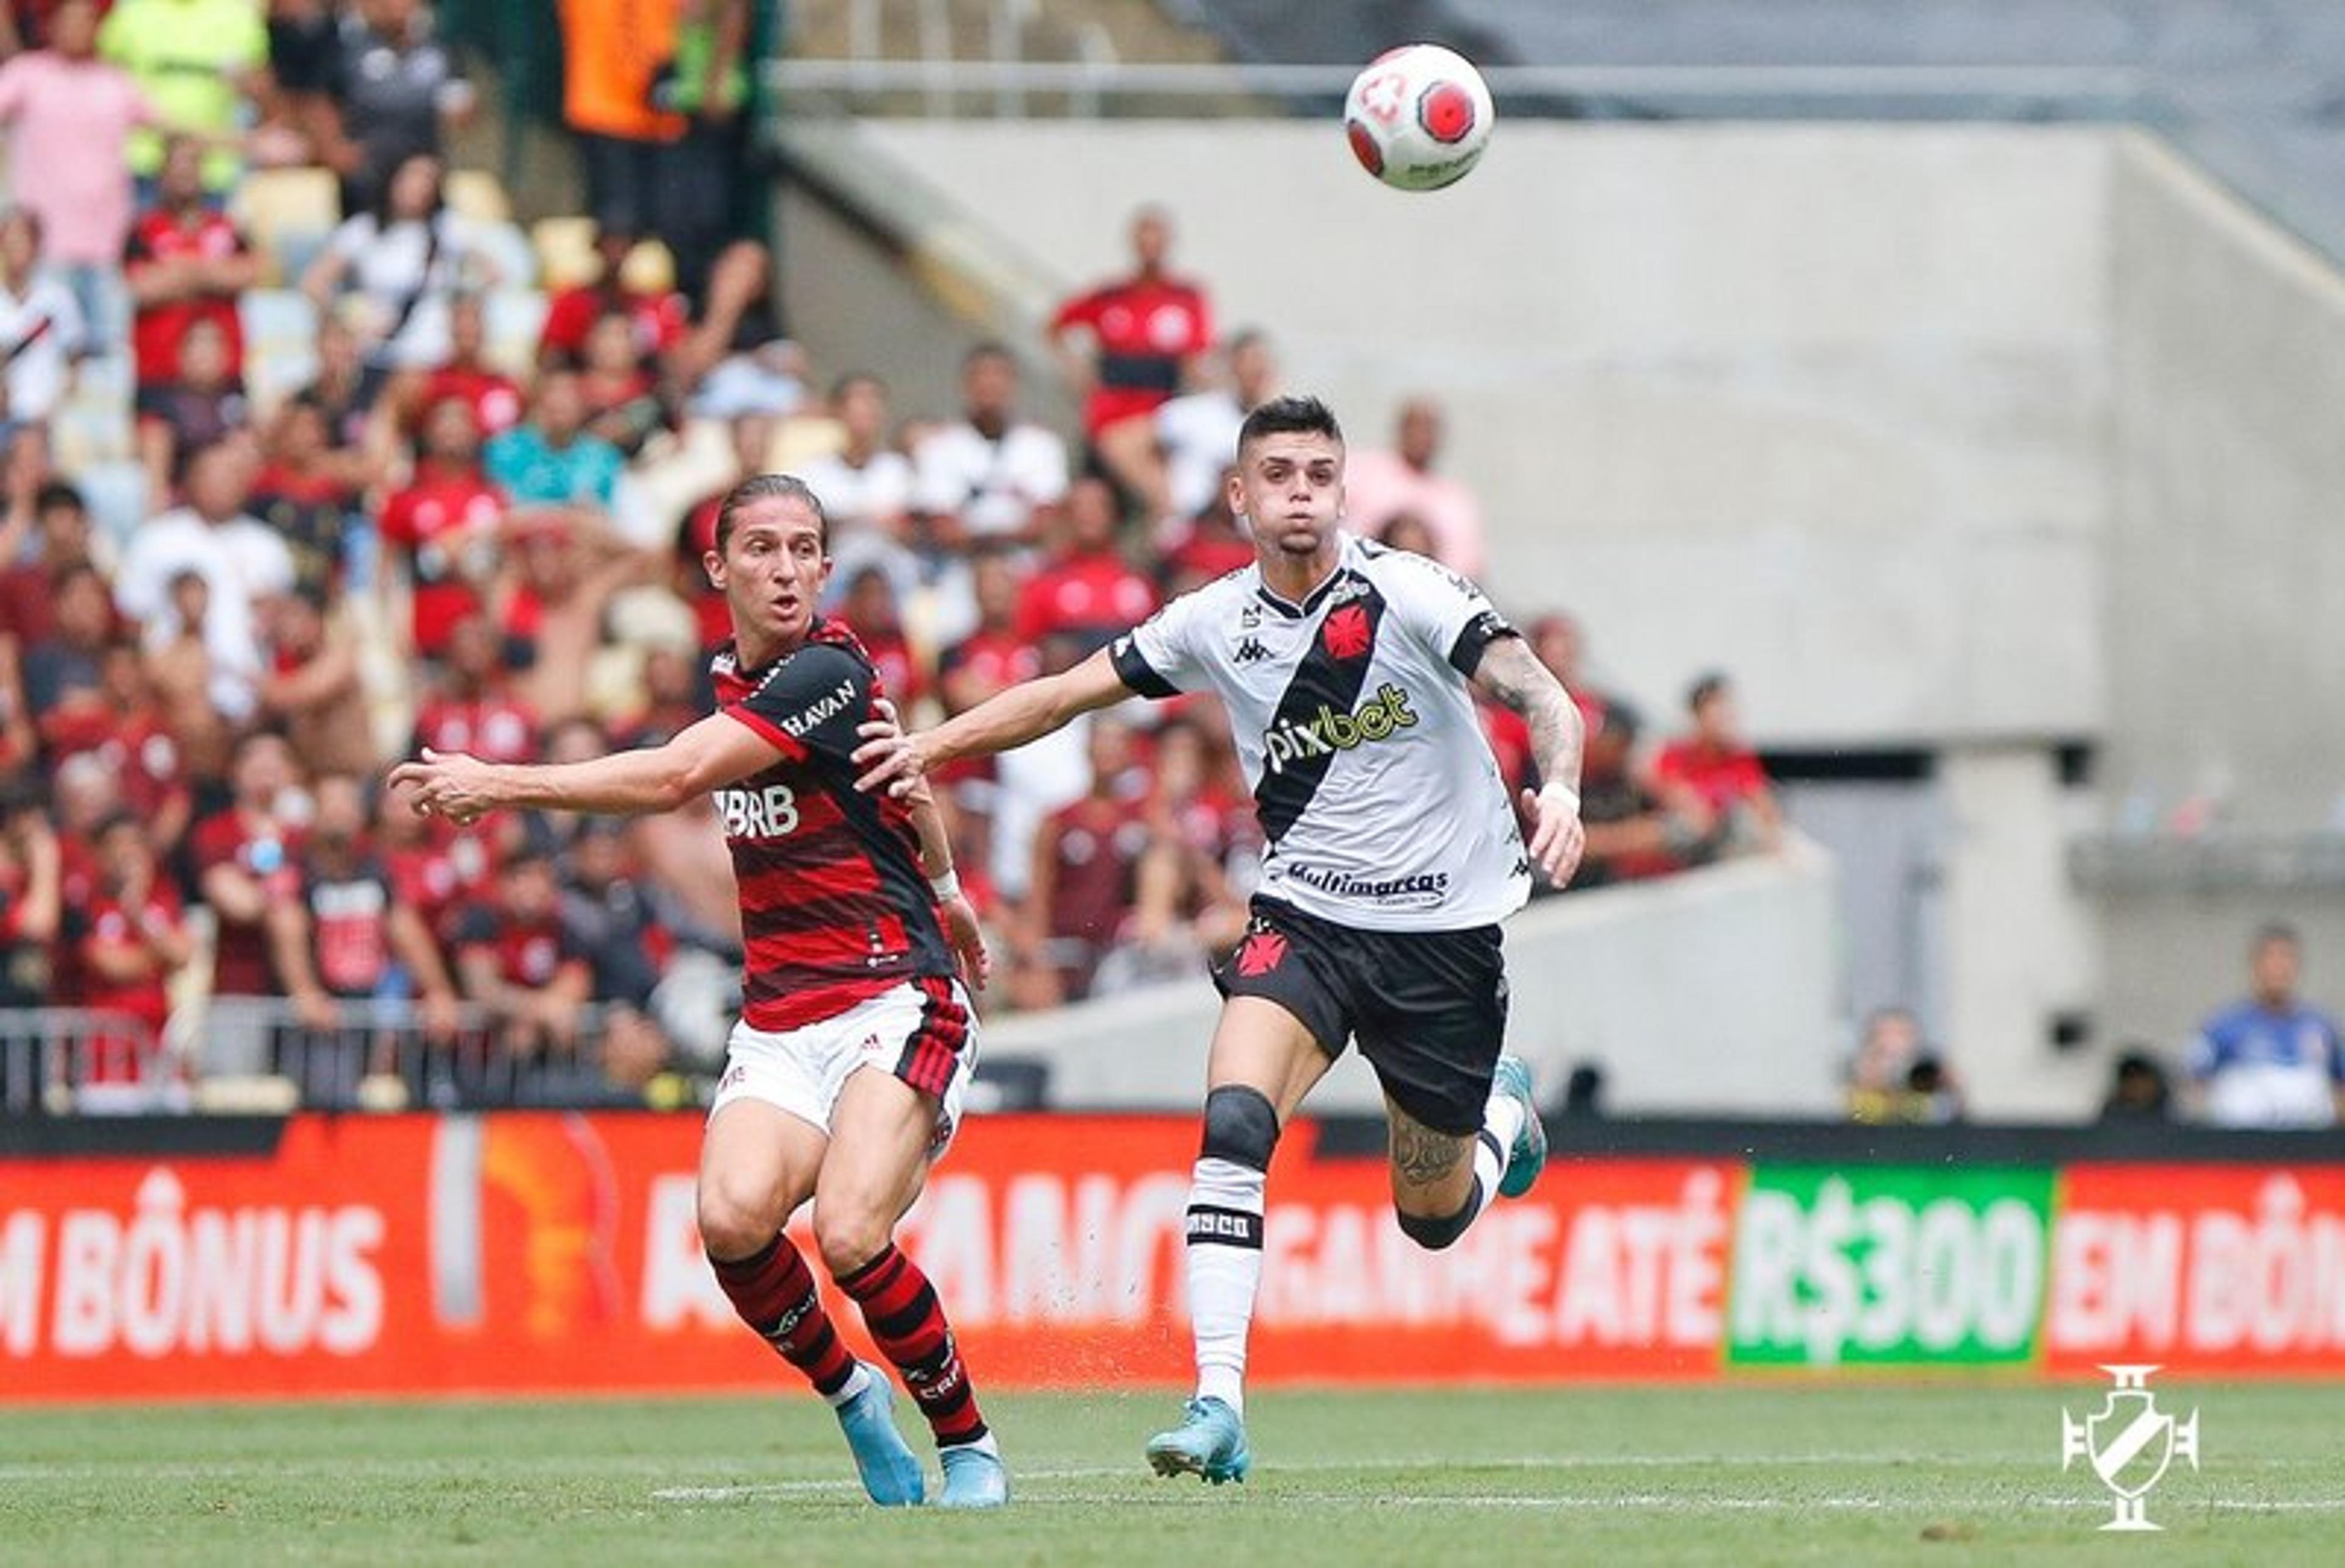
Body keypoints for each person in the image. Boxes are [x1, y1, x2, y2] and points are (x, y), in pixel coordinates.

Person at [854, 395, 1583, 1483]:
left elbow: (1536, 686)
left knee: (1430, 1216)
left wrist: (1560, 782)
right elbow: (1060, 695)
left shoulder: (1408, 589)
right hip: (1307, 919)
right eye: (1279, 473)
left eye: (1321, 474)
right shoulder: (1211, 620)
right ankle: (1219, 1401)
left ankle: (1497, 1115)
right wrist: (930, 746)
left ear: (1343, 491)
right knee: (1235, 1119)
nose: (1302, 492)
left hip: (1442, 936)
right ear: (1239, 496)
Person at [389, 473, 1009, 1509]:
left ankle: (968, 1441)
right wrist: (949, 886)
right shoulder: (734, 673)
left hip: (891, 999)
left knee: (854, 1232)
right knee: (729, 1220)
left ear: (822, 565)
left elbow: (679, 778)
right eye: (760, 548)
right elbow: (906, 774)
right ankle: (853, 1393)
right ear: (719, 569)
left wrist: (501, 782)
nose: (785, 567)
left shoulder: (824, 669)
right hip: (779, 1014)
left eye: (804, 547)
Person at [2187, 923, 2345, 1128]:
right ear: (2255, 965)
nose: (2278, 967)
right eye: (2270, 958)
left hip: (2307, 1149)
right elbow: (2193, 1088)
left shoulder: (2322, 1027)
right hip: (2241, 1148)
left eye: (2286, 958)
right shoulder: (2223, 1026)